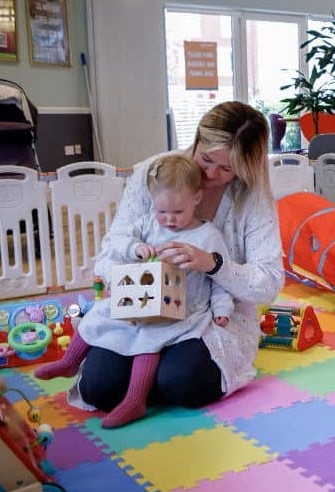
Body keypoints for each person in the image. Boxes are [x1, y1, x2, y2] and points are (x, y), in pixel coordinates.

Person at [60, 101, 284, 425]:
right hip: (142, 309)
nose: (211, 175)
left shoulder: (252, 197)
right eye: (206, 160)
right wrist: (136, 268)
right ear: (196, 141)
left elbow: (268, 282)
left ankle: (152, 377)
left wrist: (213, 264)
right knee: (99, 389)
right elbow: (110, 252)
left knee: (182, 382)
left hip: (208, 315)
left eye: (227, 169)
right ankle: (146, 373)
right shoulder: (155, 174)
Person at [35, 155, 235, 428]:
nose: (169, 219)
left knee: (151, 334)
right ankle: (70, 361)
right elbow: (116, 240)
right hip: (139, 299)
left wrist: (223, 310)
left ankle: (135, 400)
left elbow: (220, 281)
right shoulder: (147, 224)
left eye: (178, 212)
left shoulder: (207, 236)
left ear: (197, 199)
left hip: (181, 310)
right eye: (161, 211)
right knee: (101, 312)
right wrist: (135, 248)